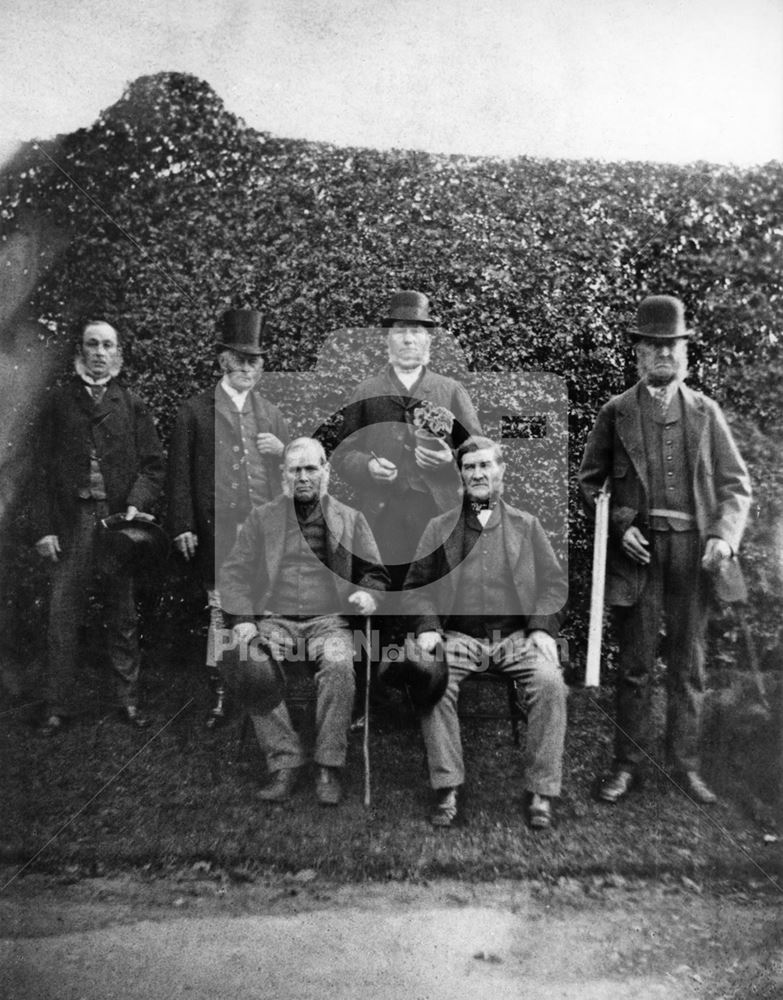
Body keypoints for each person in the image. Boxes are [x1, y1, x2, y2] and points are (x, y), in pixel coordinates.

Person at [578, 294, 751, 805]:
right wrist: (622, 524)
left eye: (671, 346)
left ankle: (686, 764)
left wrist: (723, 535)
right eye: (652, 347)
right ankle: (625, 765)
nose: (663, 356)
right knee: (633, 666)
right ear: (637, 355)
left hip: (693, 556)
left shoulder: (705, 411)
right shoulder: (616, 412)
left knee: (688, 663)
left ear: (685, 354)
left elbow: (735, 485)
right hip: (639, 556)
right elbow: (591, 483)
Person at [401, 436, 568, 829]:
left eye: (485, 465)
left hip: (516, 638)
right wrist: (427, 628)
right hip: (458, 637)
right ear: (460, 477)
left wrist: (542, 628)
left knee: (551, 684)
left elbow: (553, 585)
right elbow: (417, 586)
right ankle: (447, 785)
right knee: (432, 680)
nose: (478, 473)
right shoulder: (439, 528)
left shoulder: (527, 526)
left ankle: (541, 790)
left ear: (501, 471)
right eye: (470, 467)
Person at [219, 437, 389, 806]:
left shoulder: (351, 519)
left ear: (326, 471)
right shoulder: (262, 518)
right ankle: (284, 762)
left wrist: (368, 594)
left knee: (341, 663)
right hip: (275, 620)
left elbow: (375, 573)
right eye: (295, 470)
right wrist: (243, 620)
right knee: (249, 661)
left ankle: (329, 764)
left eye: (311, 468)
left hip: (330, 622)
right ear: (283, 475)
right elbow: (233, 574)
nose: (303, 477)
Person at [33, 319, 165, 734]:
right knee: (62, 615)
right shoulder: (57, 404)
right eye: (92, 344)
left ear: (119, 355)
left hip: (115, 525)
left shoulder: (131, 404)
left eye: (108, 345)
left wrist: (134, 504)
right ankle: (58, 706)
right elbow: (38, 472)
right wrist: (44, 529)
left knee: (122, 614)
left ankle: (127, 702)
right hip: (71, 523)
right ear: (81, 351)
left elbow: (153, 465)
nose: (99, 352)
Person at [167, 309, 290, 728]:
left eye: (254, 360)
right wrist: (183, 523)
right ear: (222, 360)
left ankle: (260, 682)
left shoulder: (271, 413)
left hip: (262, 527)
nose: (246, 367)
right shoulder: (194, 411)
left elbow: (293, 476)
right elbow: (179, 474)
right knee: (221, 607)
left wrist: (282, 451)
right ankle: (222, 688)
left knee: (260, 602)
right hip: (217, 528)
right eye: (238, 358)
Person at [334, 290, 482, 589]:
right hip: (380, 515)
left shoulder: (450, 390)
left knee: (435, 594)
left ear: (428, 340)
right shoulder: (366, 391)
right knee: (380, 595)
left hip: (438, 513)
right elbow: (342, 454)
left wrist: (449, 460)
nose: (408, 339)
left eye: (416, 331)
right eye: (400, 331)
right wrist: (366, 468)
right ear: (388, 339)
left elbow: (479, 453)